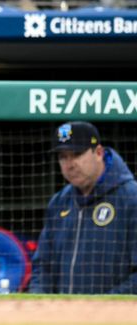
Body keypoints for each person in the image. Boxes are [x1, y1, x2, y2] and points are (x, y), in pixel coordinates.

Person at [29, 121, 137, 294]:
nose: (69, 164)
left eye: (77, 154)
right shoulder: (59, 202)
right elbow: (43, 267)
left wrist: (100, 309)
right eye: (63, 157)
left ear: (99, 153)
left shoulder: (131, 198)